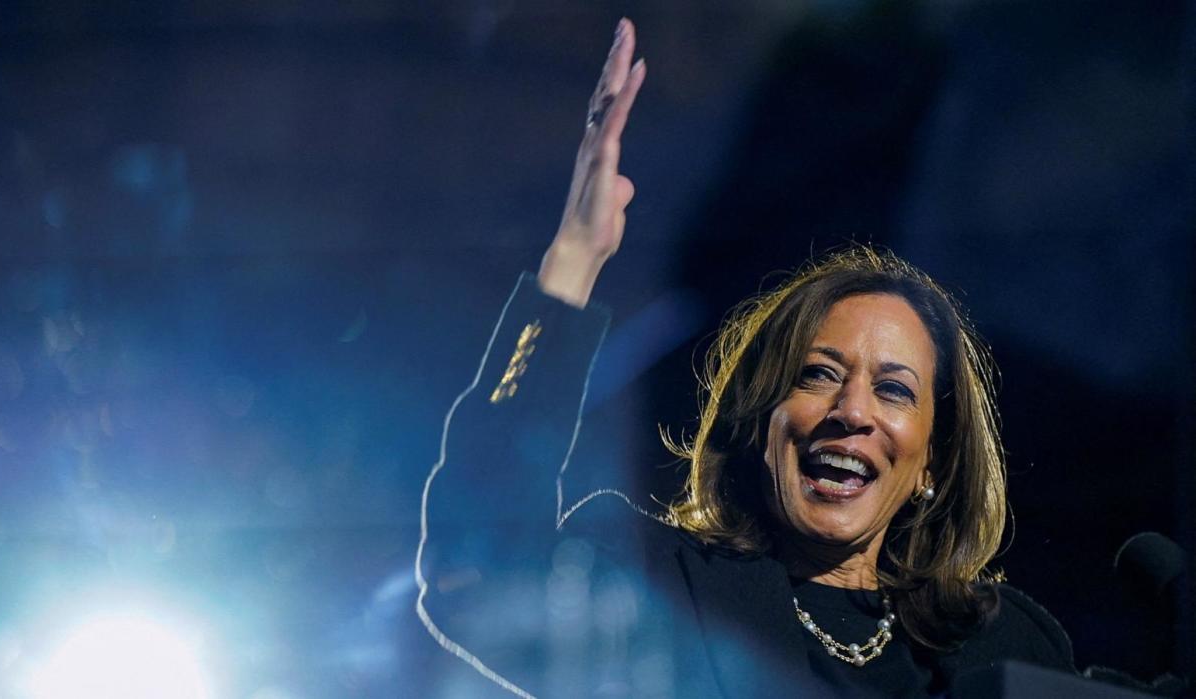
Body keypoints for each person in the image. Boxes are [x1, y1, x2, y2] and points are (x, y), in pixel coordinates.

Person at [416, 19, 1077, 698]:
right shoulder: (670, 593)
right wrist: (573, 264)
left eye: (894, 389)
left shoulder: (1011, 646)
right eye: (819, 374)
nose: (852, 411)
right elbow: (478, 563)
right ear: (765, 422)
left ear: (932, 459)